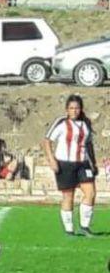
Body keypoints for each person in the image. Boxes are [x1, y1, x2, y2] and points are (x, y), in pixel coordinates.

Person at [43, 94, 98, 236]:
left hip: (83, 163)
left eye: (77, 108)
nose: (74, 111)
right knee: (68, 196)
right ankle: (69, 229)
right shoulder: (61, 122)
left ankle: (85, 227)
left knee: (90, 193)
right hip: (65, 164)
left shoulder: (86, 123)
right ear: (67, 110)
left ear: (81, 109)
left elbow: (89, 144)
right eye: (71, 108)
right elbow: (47, 141)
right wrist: (52, 160)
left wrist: (93, 163)